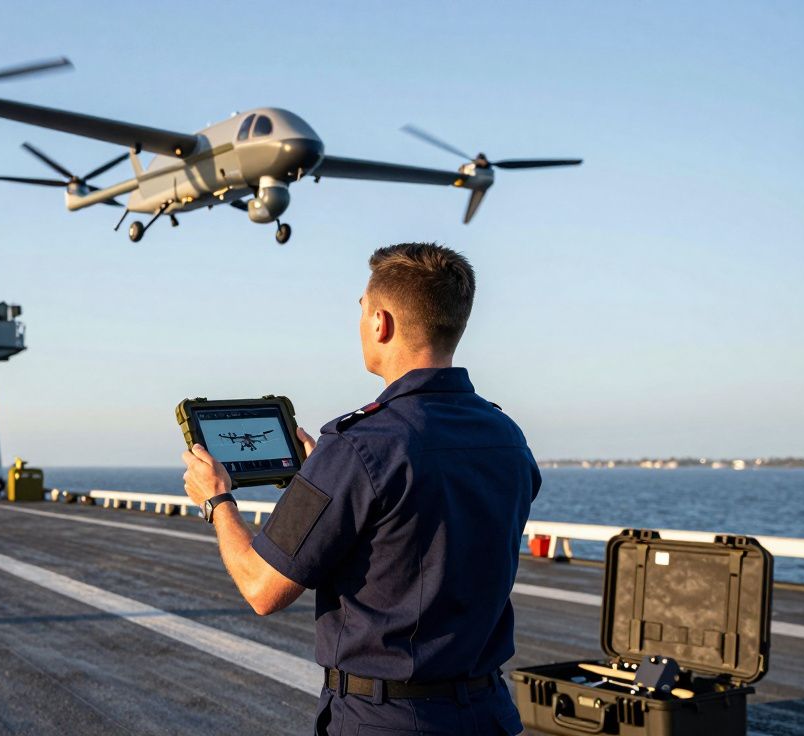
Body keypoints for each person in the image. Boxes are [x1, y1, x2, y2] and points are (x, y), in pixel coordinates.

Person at [181, 243, 539, 735]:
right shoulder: (506, 436)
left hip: (385, 719)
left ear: (381, 322)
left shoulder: (359, 446)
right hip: (488, 714)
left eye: (362, 311)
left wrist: (217, 500)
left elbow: (261, 589)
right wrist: (329, 478)